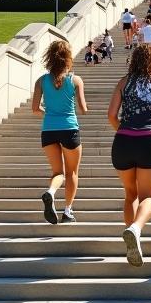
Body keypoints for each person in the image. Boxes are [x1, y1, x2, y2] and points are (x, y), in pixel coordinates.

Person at [107, 44, 151, 266]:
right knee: (149, 196)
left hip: (123, 141)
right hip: (150, 140)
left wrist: (123, 128)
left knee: (130, 195)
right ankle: (136, 229)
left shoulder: (124, 82)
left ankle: (132, 237)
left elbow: (111, 114)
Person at [32, 40, 88, 224]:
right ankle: (68, 211)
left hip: (48, 130)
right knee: (72, 173)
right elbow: (83, 108)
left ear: (50, 57)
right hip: (69, 128)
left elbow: (35, 108)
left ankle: (51, 192)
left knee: (58, 172)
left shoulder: (41, 81)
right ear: (68, 58)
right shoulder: (75, 79)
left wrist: (48, 113)